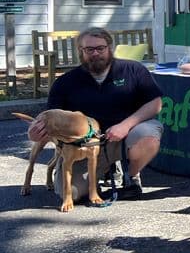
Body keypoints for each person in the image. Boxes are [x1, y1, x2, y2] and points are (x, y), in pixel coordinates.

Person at [28, 27, 163, 200]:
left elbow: (155, 104)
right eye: (89, 49)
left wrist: (125, 125)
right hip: (85, 146)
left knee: (149, 135)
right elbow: (49, 118)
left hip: (124, 136)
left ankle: (131, 176)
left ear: (110, 48)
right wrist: (36, 133)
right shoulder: (65, 82)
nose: (95, 53)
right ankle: (99, 175)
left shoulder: (133, 69)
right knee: (71, 194)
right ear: (80, 52)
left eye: (101, 48)